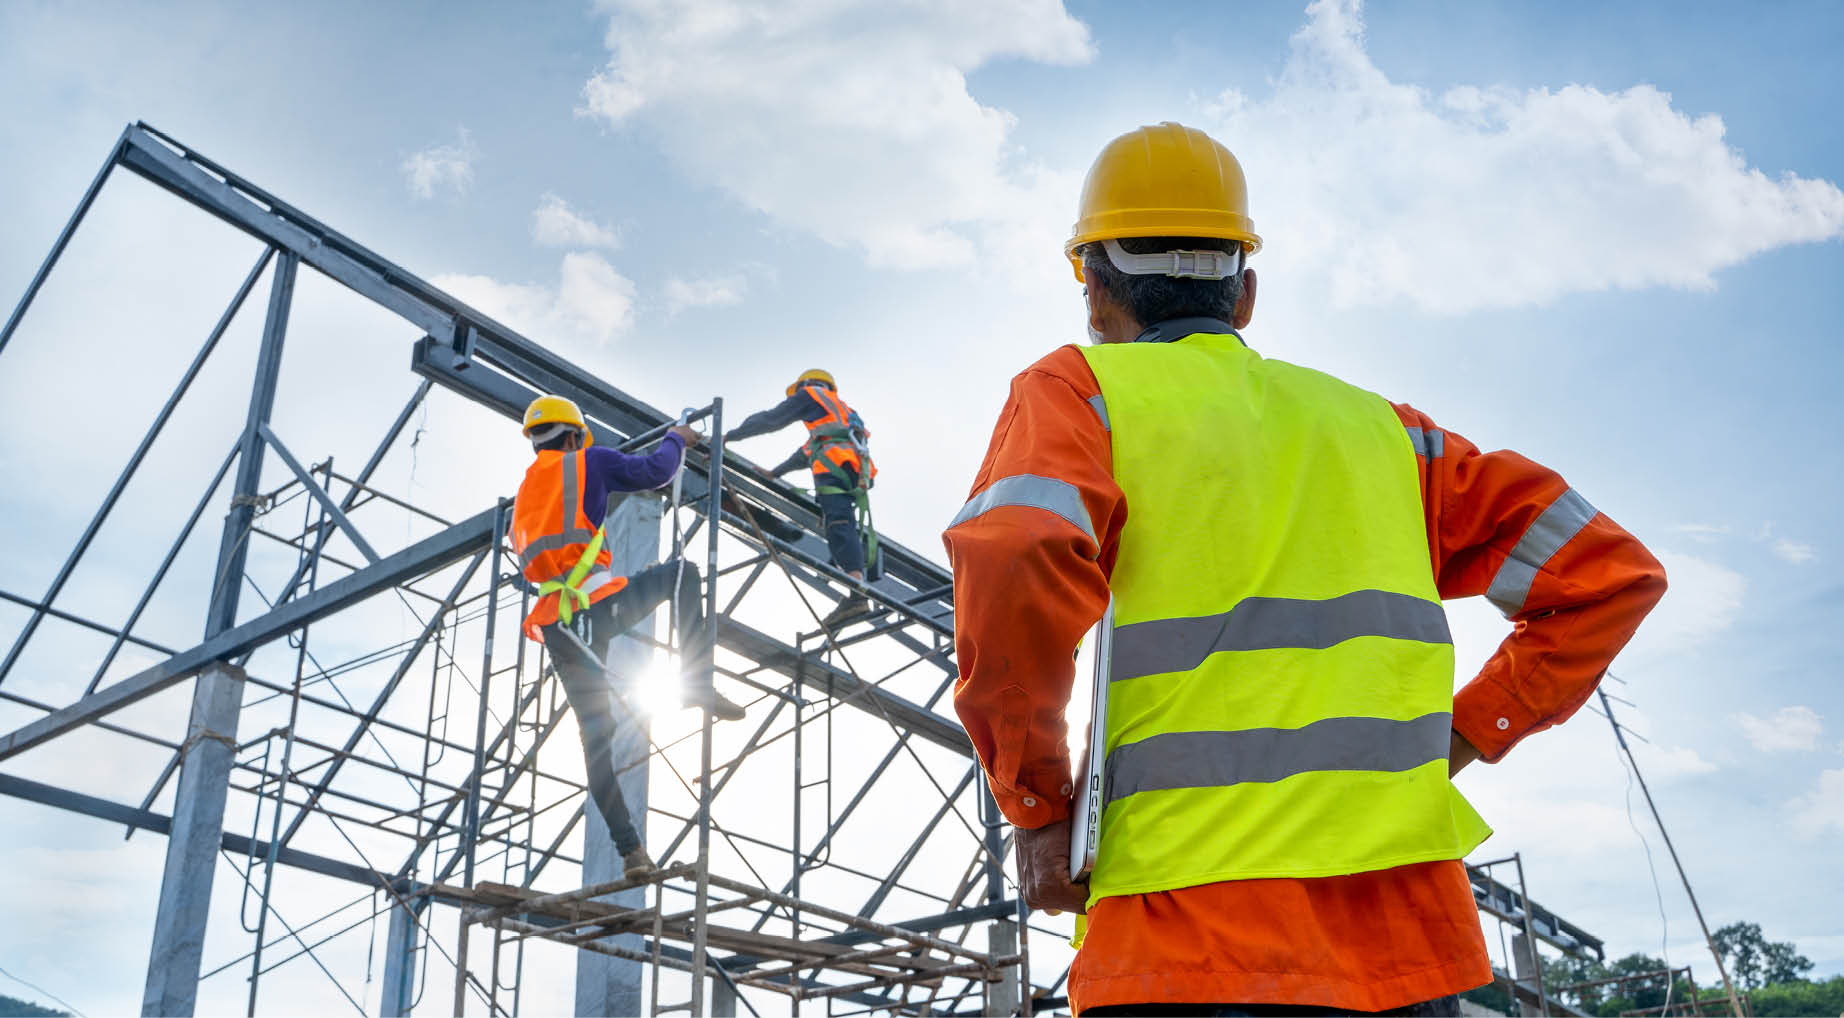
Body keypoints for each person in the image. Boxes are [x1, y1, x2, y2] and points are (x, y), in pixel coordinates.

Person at [943, 122, 1668, 1016]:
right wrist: (1464, 734)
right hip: (1407, 942)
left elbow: (1016, 552)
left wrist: (1038, 803)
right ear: (1244, 293)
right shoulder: (1389, 435)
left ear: (1093, 293)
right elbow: (1610, 573)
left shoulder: (1079, 393)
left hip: (1184, 934)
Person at [509, 395, 745, 878]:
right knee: (682, 573)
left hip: (558, 622)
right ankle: (695, 681)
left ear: (536, 441)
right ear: (574, 435)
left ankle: (631, 853)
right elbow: (656, 473)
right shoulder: (588, 461)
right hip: (596, 601)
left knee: (595, 739)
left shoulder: (527, 490)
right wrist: (676, 439)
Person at [726, 369, 879, 628]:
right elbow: (805, 452)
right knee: (841, 522)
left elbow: (771, 419)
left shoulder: (810, 394)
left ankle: (856, 592)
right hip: (852, 470)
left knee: (839, 524)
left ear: (807, 385)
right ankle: (856, 590)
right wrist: (775, 473)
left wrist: (728, 436)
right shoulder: (840, 415)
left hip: (835, 468)